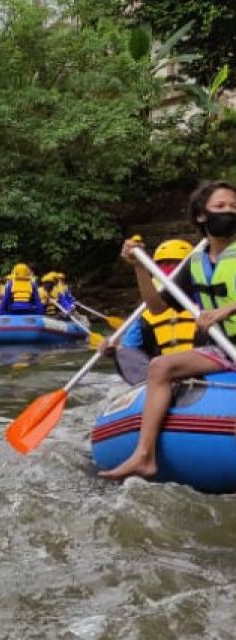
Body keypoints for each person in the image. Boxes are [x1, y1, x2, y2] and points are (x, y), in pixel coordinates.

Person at [100, 180, 236, 480]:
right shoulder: (196, 262)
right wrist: (140, 268)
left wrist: (227, 308)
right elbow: (157, 307)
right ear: (202, 215)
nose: (229, 211)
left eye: (234, 207)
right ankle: (144, 456)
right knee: (160, 365)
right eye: (221, 206)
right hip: (222, 349)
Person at [102, 239, 197, 385]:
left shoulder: (205, 300)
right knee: (121, 351)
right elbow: (129, 348)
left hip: (201, 368)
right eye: (165, 264)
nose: (171, 268)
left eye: (177, 263)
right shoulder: (146, 310)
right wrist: (112, 350)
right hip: (161, 373)